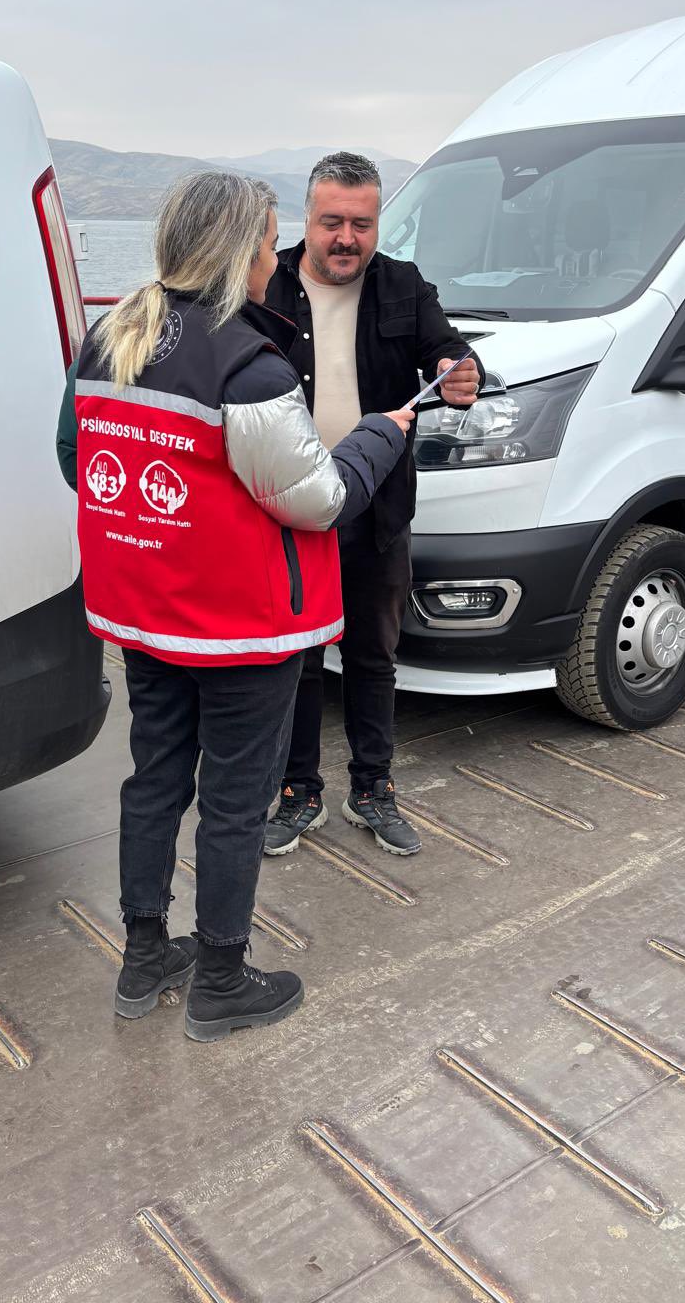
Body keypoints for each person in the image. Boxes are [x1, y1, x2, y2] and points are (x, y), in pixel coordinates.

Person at [56, 170, 412, 1041]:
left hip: (147, 611)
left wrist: (171, 526)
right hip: (240, 628)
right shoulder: (249, 367)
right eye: (268, 243)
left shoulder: (114, 336)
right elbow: (319, 499)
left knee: (154, 781)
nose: (274, 260)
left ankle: (144, 957)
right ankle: (220, 978)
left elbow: (76, 456)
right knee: (234, 800)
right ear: (240, 254)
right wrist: (380, 435)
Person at [263, 152, 480, 859]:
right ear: (306, 218)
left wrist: (460, 370)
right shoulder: (265, 284)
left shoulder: (403, 284)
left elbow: (447, 348)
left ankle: (372, 788)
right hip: (288, 509)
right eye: (332, 222)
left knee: (372, 656)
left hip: (377, 511)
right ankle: (298, 792)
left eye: (361, 224)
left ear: (378, 222)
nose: (346, 239)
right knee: (295, 660)